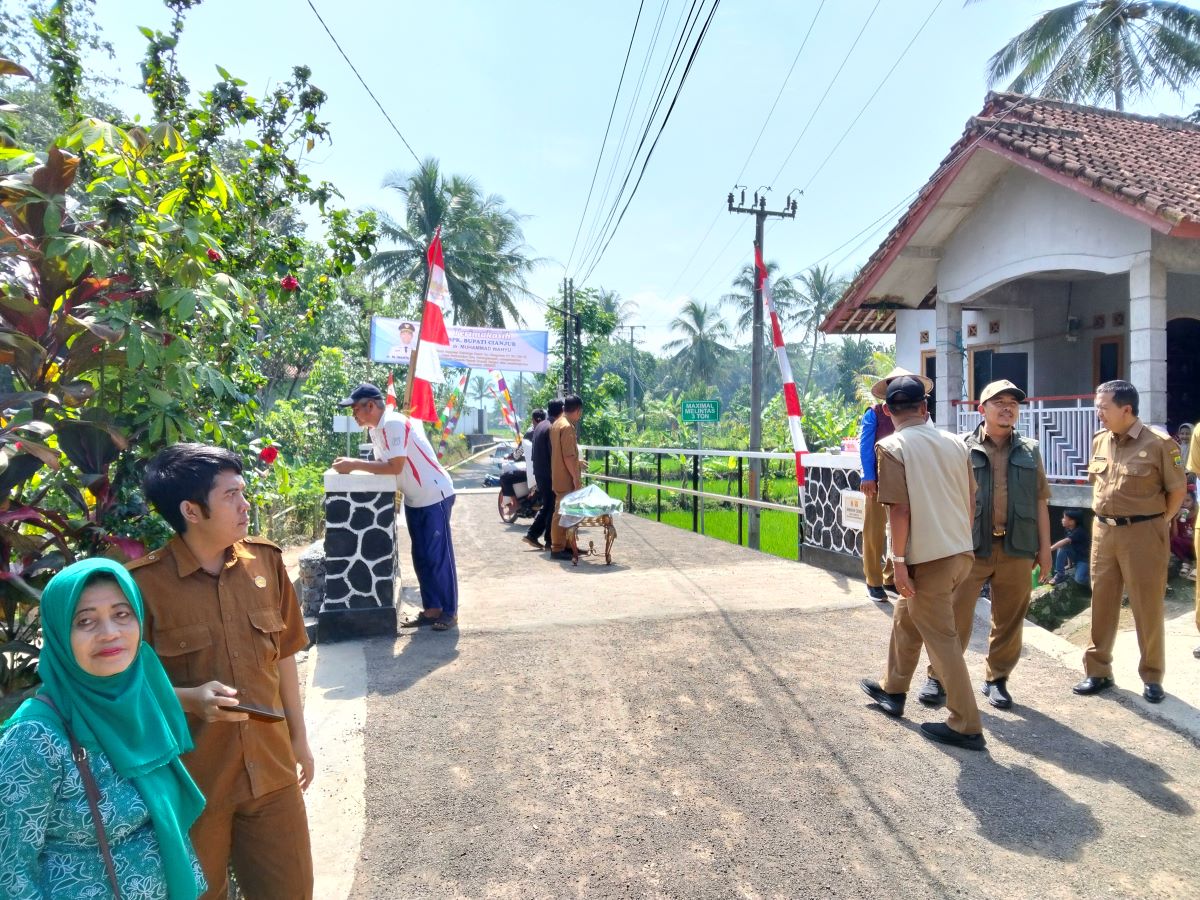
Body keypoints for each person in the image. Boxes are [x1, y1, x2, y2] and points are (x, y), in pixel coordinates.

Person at [130, 444, 315, 898]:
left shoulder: (266, 562)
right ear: (191, 511)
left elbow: (284, 656)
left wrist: (299, 739)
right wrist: (188, 700)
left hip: (272, 774)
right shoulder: (143, 587)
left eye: (243, 492)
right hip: (194, 787)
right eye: (231, 495)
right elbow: (125, 687)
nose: (245, 504)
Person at [0, 559, 207, 899]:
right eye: (85, 621)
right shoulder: (34, 739)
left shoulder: (140, 700)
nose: (109, 632)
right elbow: (10, 876)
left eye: (122, 614)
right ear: (59, 634)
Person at [858, 375, 984, 751]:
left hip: (926, 560)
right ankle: (893, 689)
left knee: (942, 639)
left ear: (887, 411)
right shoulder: (956, 443)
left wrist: (897, 563)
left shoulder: (892, 446)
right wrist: (958, 541)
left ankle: (966, 724)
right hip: (960, 553)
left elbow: (899, 509)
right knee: (906, 617)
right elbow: (971, 500)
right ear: (924, 408)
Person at [931, 380, 1052, 711]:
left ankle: (997, 678)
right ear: (981, 409)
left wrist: (1045, 549)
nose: (1007, 407)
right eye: (999, 402)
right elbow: (945, 499)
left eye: (1013, 402)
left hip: (1017, 547)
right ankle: (939, 677)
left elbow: (1041, 501)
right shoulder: (960, 448)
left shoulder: (1030, 450)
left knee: (1009, 619)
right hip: (969, 547)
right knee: (953, 614)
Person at [1074, 380, 1186, 704]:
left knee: (1146, 605)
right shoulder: (1100, 440)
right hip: (1103, 531)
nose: (1098, 413)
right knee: (1102, 603)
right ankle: (1098, 671)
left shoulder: (1159, 444)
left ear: (1126, 409)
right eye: (1097, 407)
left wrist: (1158, 522)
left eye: (1103, 407)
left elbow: (1177, 490)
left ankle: (1152, 675)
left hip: (1143, 533)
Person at [333, 383, 459, 631]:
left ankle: (449, 611)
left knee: (438, 557)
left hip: (435, 495)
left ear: (371, 405)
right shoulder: (375, 430)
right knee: (421, 557)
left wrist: (354, 464)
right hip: (414, 499)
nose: (354, 415)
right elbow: (385, 467)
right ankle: (432, 609)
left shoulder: (393, 423)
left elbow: (394, 466)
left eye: (356, 409)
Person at [859, 367, 929, 601]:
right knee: (874, 531)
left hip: (908, 479)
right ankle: (873, 580)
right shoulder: (874, 413)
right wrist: (868, 476)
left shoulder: (923, 414)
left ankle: (890, 577)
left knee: (902, 531)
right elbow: (865, 446)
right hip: (878, 481)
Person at [548, 395, 584, 561]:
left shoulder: (557, 424)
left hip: (558, 474)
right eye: (580, 412)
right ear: (577, 411)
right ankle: (557, 548)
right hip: (566, 477)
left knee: (568, 511)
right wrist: (576, 478)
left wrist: (577, 464)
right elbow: (568, 456)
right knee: (561, 511)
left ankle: (569, 546)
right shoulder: (567, 427)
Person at [524, 399, 562, 550]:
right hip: (548, 473)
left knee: (548, 505)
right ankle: (540, 537)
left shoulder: (540, 425)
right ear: (561, 411)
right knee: (551, 506)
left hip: (539, 472)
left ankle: (542, 537)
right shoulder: (552, 427)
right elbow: (553, 454)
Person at [1050, 509, 1091, 587]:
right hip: (1076, 558)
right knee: (1063, 547)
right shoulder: (1068, 529)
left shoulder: (1079, 531)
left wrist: (1049, 549)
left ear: (1072, 522)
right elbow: (1068, 546)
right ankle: (1060, 575)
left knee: (1080, 579)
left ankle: (1097, 583)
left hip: (1084, 561)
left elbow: (1065, 541)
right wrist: (1069, 565)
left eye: (1064, 518)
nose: (1062, 520)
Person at [1170, 492, 1196, 576]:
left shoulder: (1197, 515)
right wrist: (1174, 519)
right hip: (1184, 547)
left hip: (1195, 545)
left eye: (1188, 500)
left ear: (1193, 502)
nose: (1184, 503)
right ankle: (1186, 562)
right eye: (1181, 501)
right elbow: (1174, 535)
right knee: (1171, 540)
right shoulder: (1177, 515)